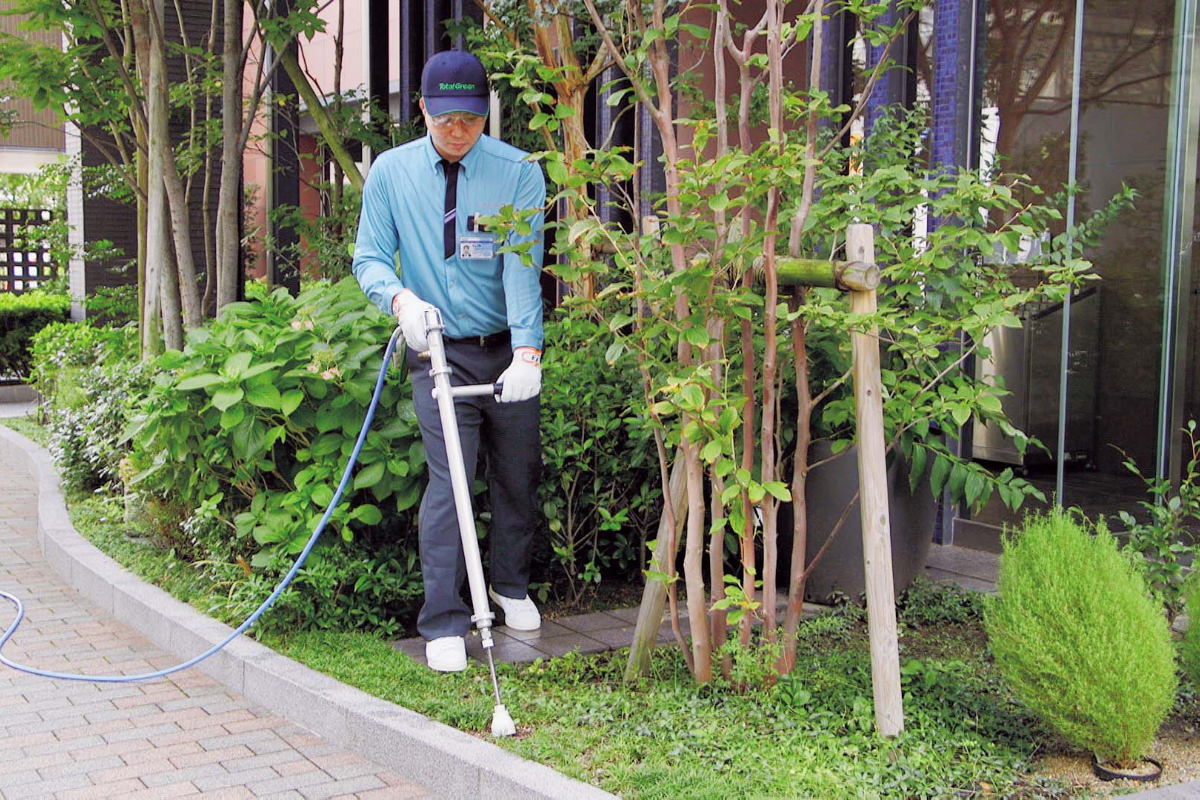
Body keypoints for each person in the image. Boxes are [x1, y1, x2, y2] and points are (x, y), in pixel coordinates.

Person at [351, 49, 546, 673]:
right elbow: (370, 257)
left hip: (504, 349)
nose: (457, 130)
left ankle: (509, 585)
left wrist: (527, 352)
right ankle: (443, 619)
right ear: (423, 111)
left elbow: (523, 265)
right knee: (452, 480)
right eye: (444, 119)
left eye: (469, 117)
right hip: (438, 350)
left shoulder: (517, 172)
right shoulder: (391, 172)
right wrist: (401, 300)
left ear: (486, 111)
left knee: (517, 475)